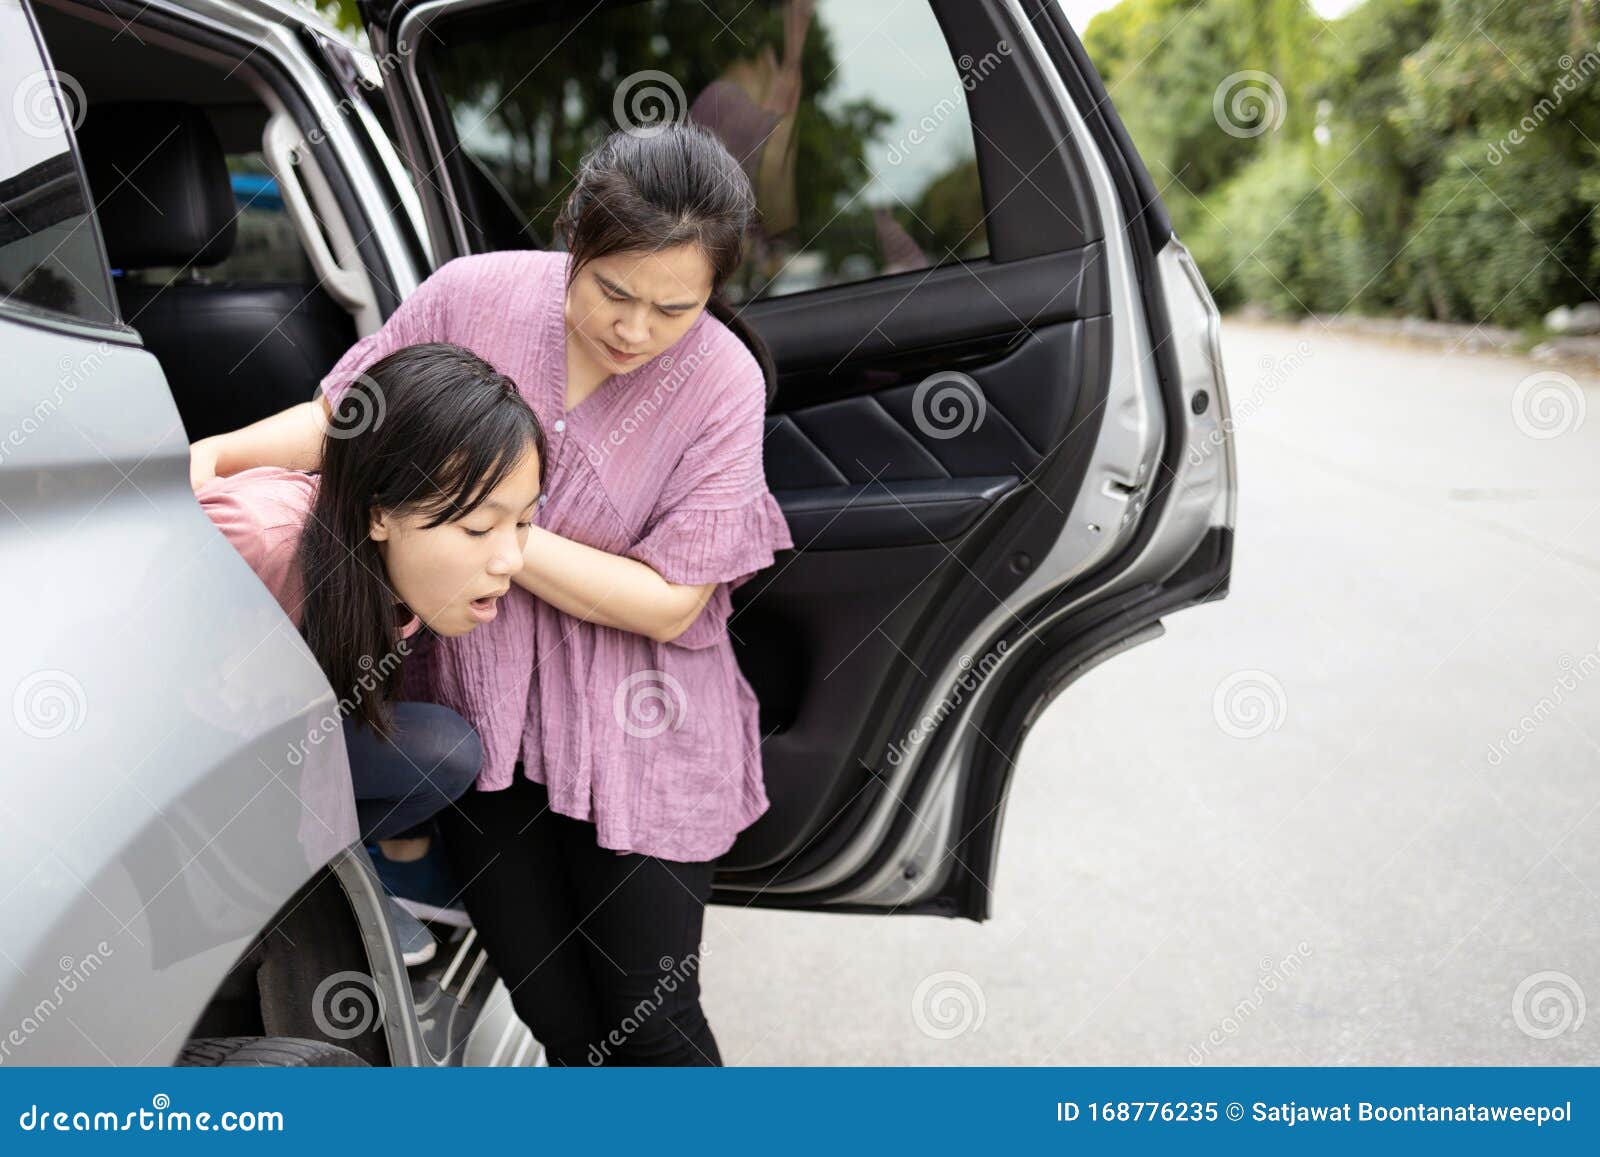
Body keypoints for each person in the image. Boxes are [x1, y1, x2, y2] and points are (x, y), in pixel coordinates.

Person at [188, 123, 794, 1065]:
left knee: (653, 1022)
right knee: (558, 1017)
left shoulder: (722, 380)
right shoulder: (474, 295)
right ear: (573, 243)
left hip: (644, 728)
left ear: (714, 292)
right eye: (613, 291)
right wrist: (203, 461)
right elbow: (350, 426)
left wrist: (485, 525)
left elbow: (672, 602)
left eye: (675, 308)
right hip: (484, 701)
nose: (635, 330)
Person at [195, 342, 547, 965]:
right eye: (476, 528)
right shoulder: (254, 536)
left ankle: (315, 873)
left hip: (253, 746)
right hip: (161, 763)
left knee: (446, 751)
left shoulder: (394, 582)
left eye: (522, 523)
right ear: (380, 512)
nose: (511, 561)